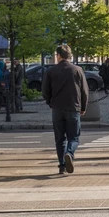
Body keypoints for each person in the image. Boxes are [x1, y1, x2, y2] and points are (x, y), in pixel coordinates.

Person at [41, 45, 89, 175]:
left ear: (59, 56)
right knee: (74, 137)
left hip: (57, 108)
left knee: (59, 138)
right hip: (73, 107)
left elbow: (45, 91)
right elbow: (84, 91)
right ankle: (70, 153)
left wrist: (50, 102)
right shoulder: (77, 70)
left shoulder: (51, 71)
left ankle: (62, 165)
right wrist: (83, 107)